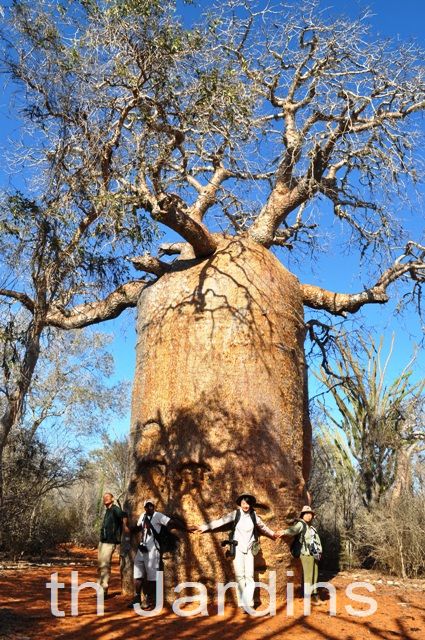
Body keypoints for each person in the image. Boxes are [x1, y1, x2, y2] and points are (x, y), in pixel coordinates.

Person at [195, 492, 278, 611]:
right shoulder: (235, 514)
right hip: (238, 549)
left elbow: (263, 528)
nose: (246, 505)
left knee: (249, 576)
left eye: (248, 503)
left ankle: (249, 603)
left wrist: (273, 534)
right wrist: (204, 527)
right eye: (244, 503)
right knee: (240, 576)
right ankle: (242, 603)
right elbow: (220, 522)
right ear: (240, 503)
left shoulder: (254, 515)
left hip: (249, 549)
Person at [128, 498, 186, 611]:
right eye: (147, 506)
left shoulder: (158, 516)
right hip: (141, 548)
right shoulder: (142, 516)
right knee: (137, 573)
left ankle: (149, 599)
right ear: (144, 507)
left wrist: (186, 528)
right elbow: (138, 527)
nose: (150, 507)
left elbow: (171, 522)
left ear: (154, 507)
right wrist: (127, 528)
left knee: (152, 575)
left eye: (151, 506)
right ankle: (136, 597)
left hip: (153, 549)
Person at [278, 505, 322, 603]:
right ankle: (308, 596)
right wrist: (284, 532)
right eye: (306, 514)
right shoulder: (301, 524)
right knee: (308, 575)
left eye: (310, 514)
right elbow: (293, 530)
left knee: (314, 574)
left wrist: (319, 551)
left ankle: (314, 595)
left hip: (314, 554)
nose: (308, 516)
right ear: (302, 515)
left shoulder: (311, 527)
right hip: (306, 554)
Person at [98, 492, 129, 597]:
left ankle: (103, 591)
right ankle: (100, 589)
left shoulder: (115, 509)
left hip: (110, 542)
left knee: (105, 565)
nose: (105, 499)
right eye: (104, 497)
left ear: (112, 499)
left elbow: (124, 515)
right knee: (101, 566)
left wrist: (125, 527)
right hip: (102, 541)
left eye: (108, 497)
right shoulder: (108, 511)